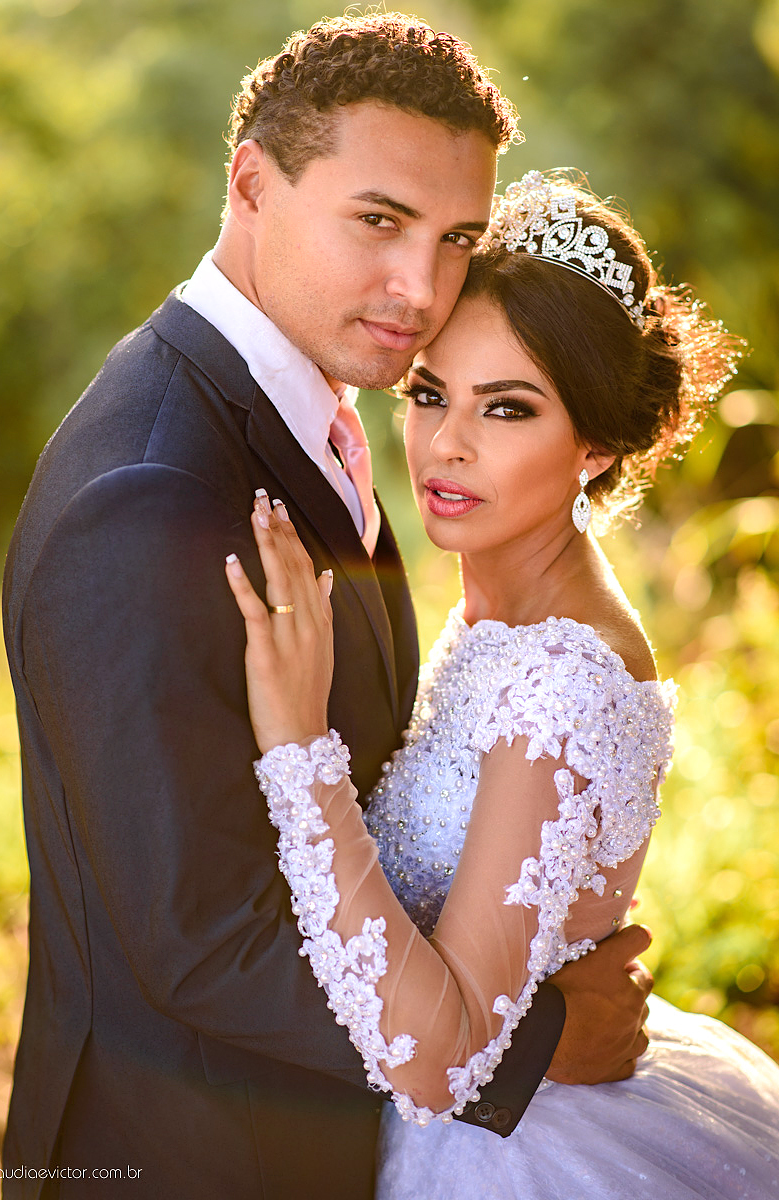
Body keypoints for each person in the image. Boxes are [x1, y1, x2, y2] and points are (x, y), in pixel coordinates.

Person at [1, 16, 653, 1200]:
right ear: (251, 182)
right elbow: (199, 938)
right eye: (378, 220)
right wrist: (532, 1048)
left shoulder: (310, 410)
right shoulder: (150, 490)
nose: (423, 287)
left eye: (455, 236)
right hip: (188, 1157)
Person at [225, 170, 779, 1198]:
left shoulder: (562, 677)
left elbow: (445, 1060)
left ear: (597, 446)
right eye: (431, 393)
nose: (447, 443)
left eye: (508, 409)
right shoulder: (495, 612)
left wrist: (300, 745)